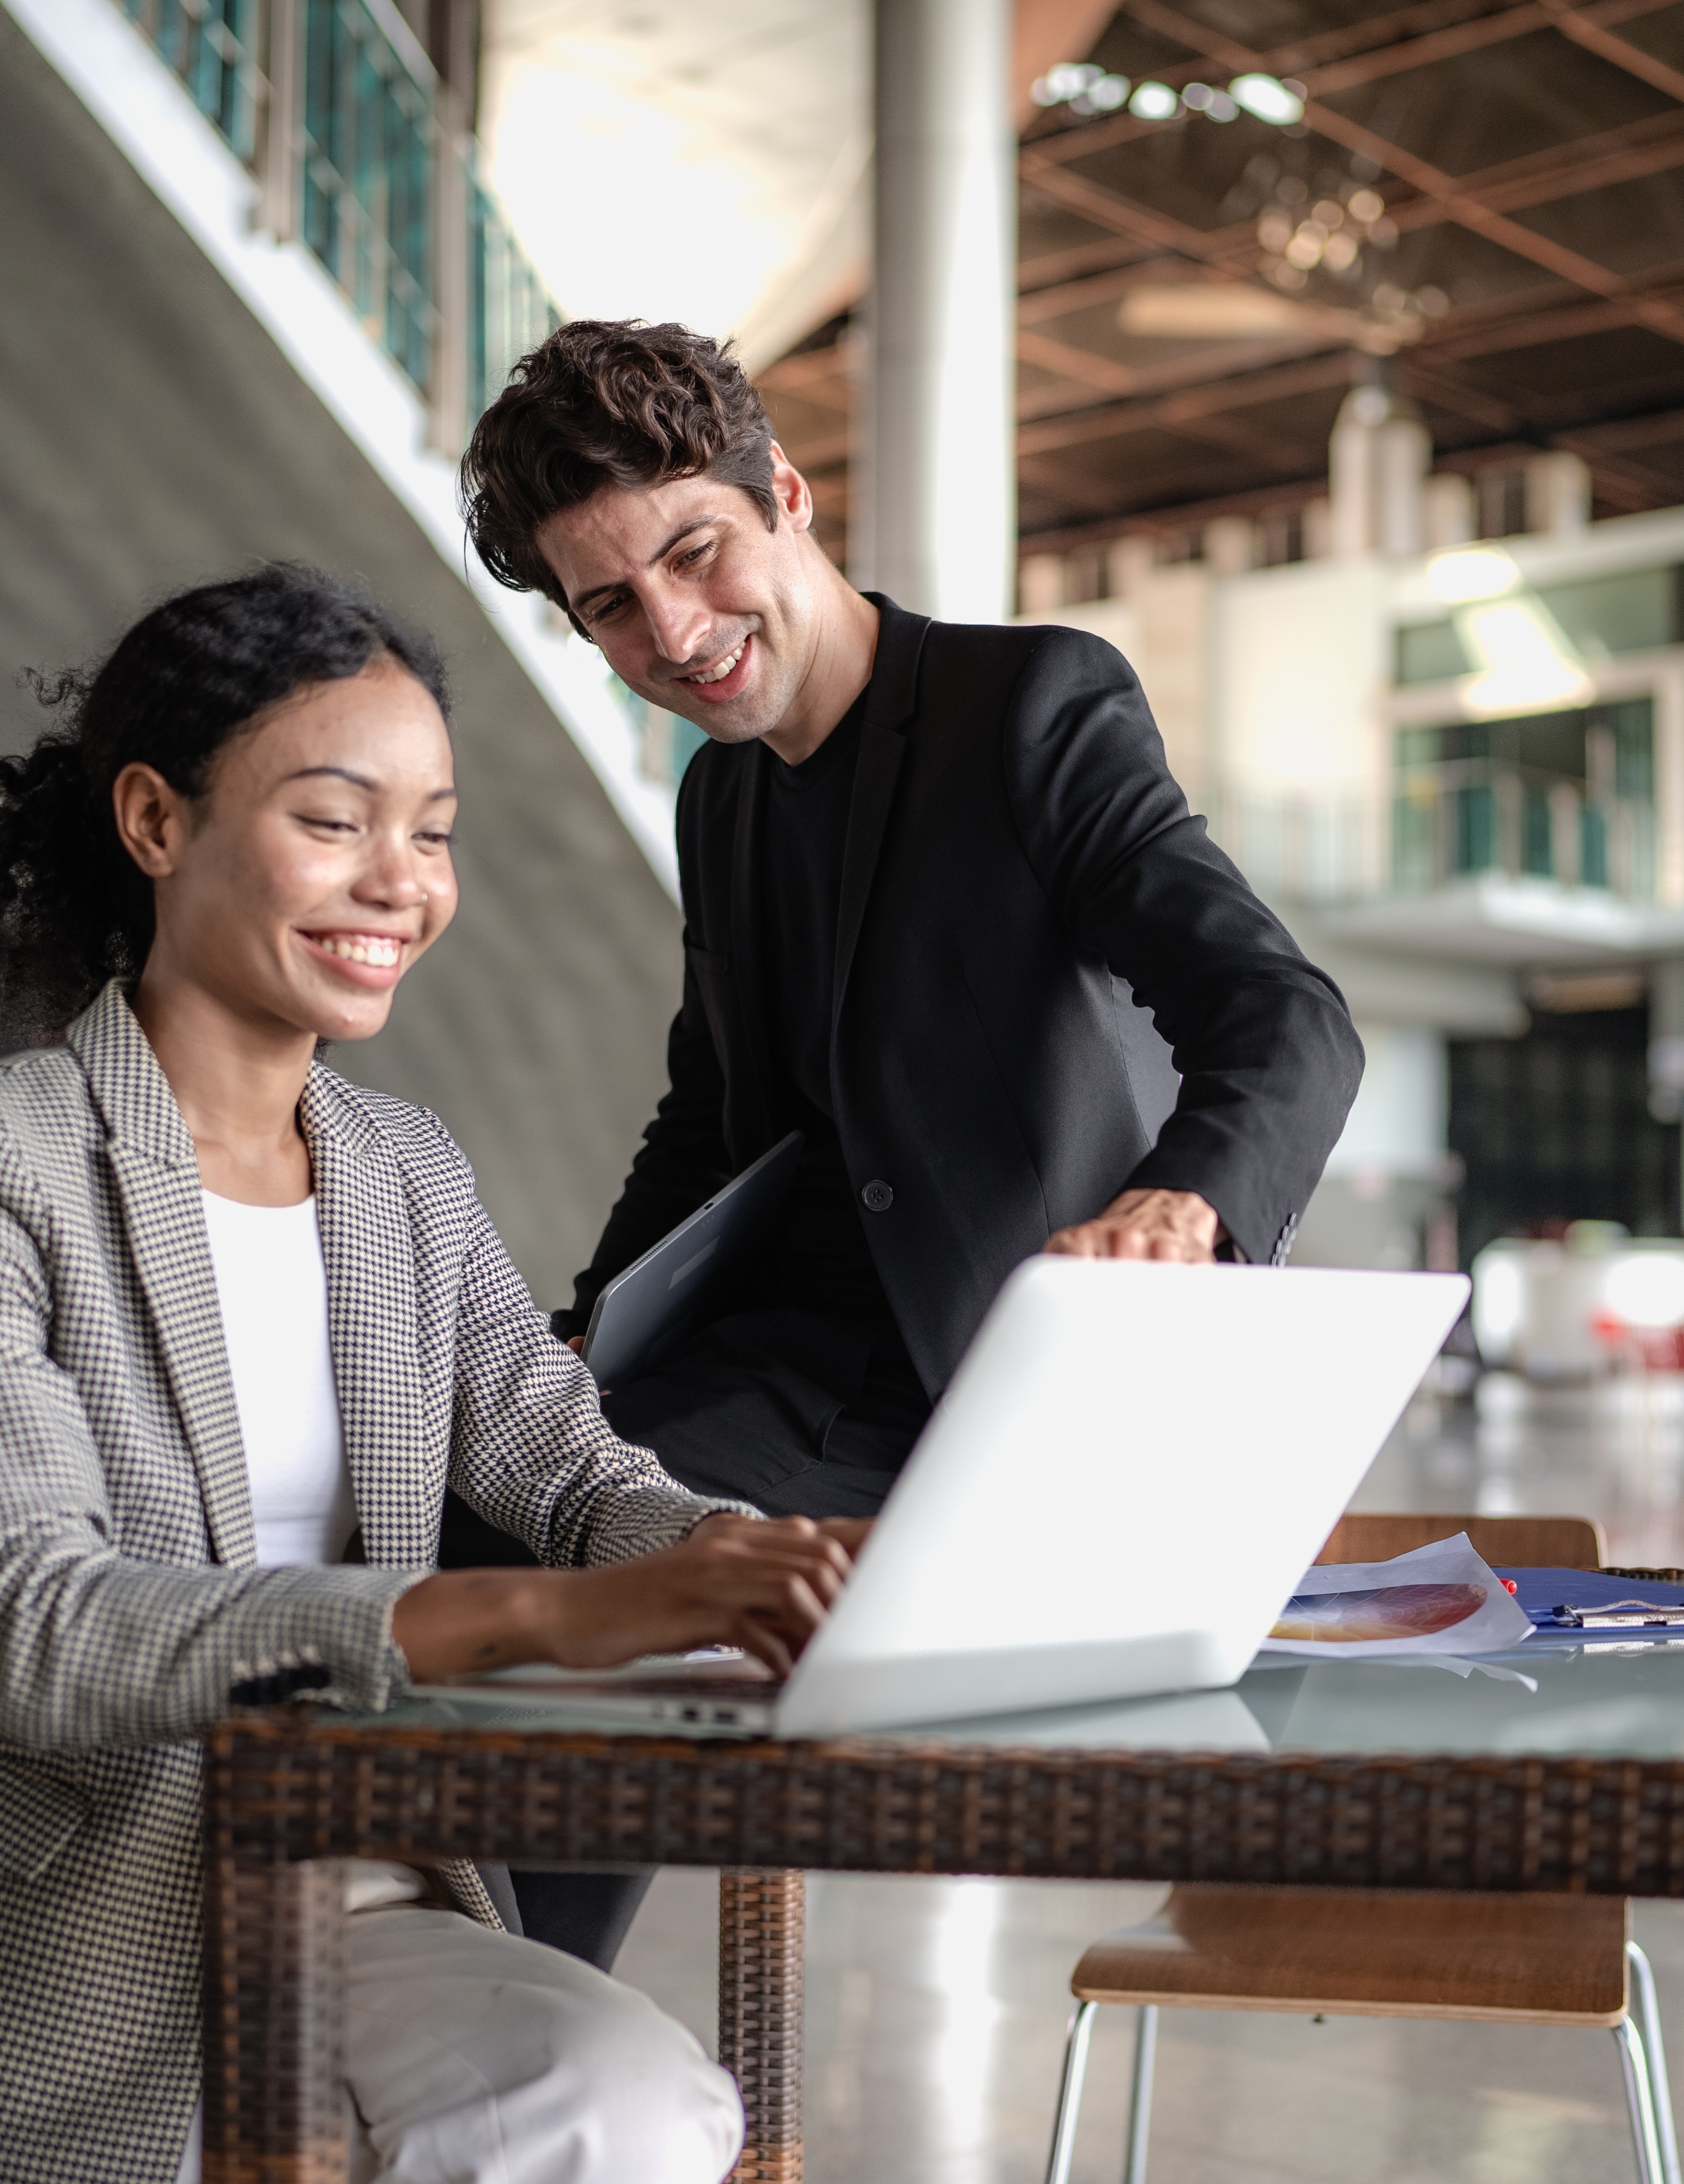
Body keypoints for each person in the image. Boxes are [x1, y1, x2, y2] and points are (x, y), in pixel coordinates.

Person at [0, 565, 862, 2184]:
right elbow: (19, 1615)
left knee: (632, 2110)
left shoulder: (401, 1167)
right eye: (337, 820)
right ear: (154, 820)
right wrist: (512, 1615)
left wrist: (720, 1554)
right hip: (55, 1958)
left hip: (352, 1884)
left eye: (432, 829)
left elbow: (568, 1471)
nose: (399, 882)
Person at [448, 320, 1363, 1966]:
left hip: (976, 1376)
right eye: (608, 606)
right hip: (773, 1360)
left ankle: (510, 2024)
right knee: (469, 1516)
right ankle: (467, 2011)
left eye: (693, 552)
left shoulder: (1032, 708)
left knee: (586, 1579)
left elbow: (1285, 1018)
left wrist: (1177, 1206)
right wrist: (585, 1323)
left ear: (784, 494)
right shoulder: (718, 801)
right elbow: (706, 1111)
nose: (672, 631)